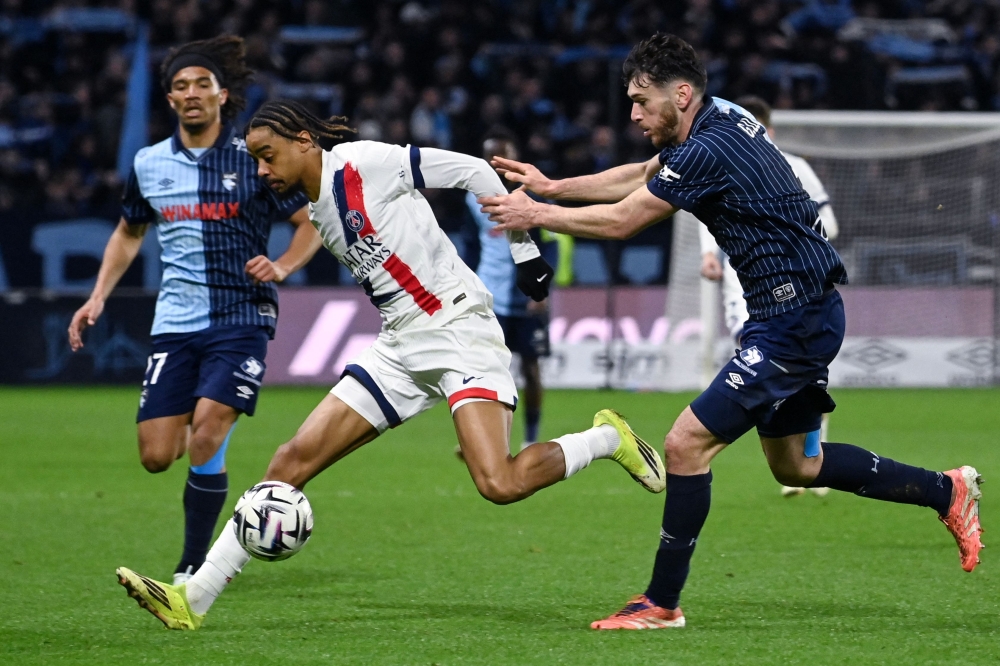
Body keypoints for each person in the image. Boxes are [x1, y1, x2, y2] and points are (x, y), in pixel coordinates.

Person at [480, 33, 983, 630]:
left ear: (682, 93)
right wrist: (554, 186)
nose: (635, 114)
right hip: (799, 313)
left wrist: (536, 214)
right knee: (795, 466)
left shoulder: (709, 149)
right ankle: (946, 490)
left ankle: (661, 603)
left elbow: (624, 220)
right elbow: (643, 174)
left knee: (684, 445)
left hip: (792, 320)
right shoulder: (727, 118)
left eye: (643, 100)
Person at [114, 100, 666, 630]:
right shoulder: (319, 212)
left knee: (498, 482)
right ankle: (193, 598)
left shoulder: (363, 163)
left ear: (304, 141)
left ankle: (603, 438)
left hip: (458, 331)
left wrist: (526, 254)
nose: (261, 170)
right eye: (255, 159)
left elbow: (475, 170)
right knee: (291, 460)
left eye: (268, 155)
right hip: (400, 345)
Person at [67, 37, 320, 585]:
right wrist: (97, 296)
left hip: (242, 315)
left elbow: (311, 222)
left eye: (201, 83)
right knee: (158, 455)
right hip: (175, 323)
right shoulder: (149, 163)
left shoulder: (254, 159)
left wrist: (280, 268)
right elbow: (129, 232)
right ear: (171, 99)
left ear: (222, 94)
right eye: (180, 86)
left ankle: (193, 566)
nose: (191, 93)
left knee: (206, 435)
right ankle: (210, 427)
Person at [699, 94, 837, 498]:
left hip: (794, 285)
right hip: (741, 285)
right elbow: (710, 217)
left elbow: (828, 219)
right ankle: (795, 456)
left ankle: (806, 454)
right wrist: (709, 255)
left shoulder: (797, 168)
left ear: (768, 130)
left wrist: (803, 242)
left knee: (783, 367)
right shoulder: (721, 161)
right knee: (764, 362)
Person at [467, 127, 557, 448]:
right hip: (489, 297)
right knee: (489, 370)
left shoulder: (532, 196)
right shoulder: (472, 198)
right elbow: (469, 246)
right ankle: (492, 442)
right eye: (489, 159)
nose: (495, 166)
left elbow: (550, 247)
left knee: (531, 371)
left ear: (514, 158)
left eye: (501, 158)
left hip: (526, 296)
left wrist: (542, 291)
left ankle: (530, 440)